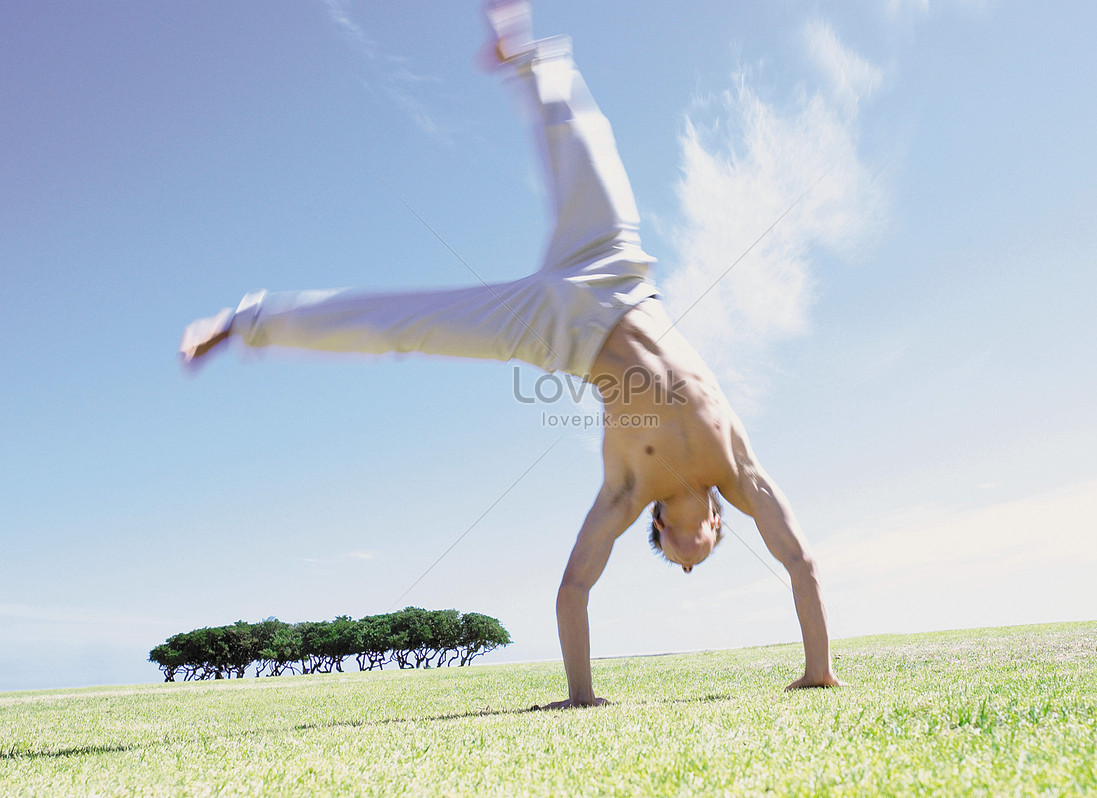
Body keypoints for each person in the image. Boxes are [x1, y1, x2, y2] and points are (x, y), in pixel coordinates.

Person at [181, 1, 841, 707]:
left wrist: (580, 694)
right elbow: (799, 560)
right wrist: (819, 667)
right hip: (616, 271)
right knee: (592, 140)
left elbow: (575, 586)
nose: (687, 566)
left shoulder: (626, 494)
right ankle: (529, 55)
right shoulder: (736, 468)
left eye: (678, 561)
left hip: (558, 333)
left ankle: (247, 321)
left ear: (660, 528)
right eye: (697, 557)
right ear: (713, 525)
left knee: (408, 325)